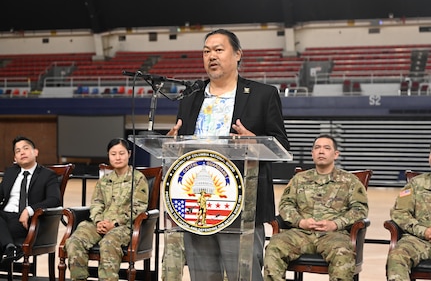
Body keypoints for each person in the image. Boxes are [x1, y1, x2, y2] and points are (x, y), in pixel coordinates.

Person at [166, 28, 290, 281]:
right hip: (197, 204)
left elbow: (281, 145)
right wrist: (173, 144)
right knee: (202, 275)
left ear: (238, 55)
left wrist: (255, 141)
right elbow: (183, 148)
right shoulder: (190, 99)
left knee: (243, 275)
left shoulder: (262, 95)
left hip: (241, 202)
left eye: (218, 50)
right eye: (206, 51)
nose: (211, 56)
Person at [263, 134, 369, 281]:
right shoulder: (299, 179)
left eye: (327, 148)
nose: (321, 151)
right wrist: (300, 222)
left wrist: (335, 224)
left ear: (335, 154)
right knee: (274, 247)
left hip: (334, 235)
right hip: (301, 233)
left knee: (343, 254)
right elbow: (286, 205)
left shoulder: (350, 181)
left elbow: (360, 209)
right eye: (317, 148)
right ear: (312, 154)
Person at [64, 138, 149, 281]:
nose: (117, 157)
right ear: (108, 156)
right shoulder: (104, 180)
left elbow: (138, 207)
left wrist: (115, 223)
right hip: (100, 223)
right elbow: (97, 203)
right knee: (75, 241)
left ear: (129, 154)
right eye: (113, 154)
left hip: (124, 226)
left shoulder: (138, 179)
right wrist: (98, 221)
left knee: (108, 243)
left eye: (121, 153)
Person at [0, 136, 61, 263]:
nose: (22, 152)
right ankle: (10, 247)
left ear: (35, 152)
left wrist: (29, 210)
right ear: (15, 159)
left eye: (26, 148)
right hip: (4, 218)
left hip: (25, 221)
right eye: (17, 151)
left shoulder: (47, 175)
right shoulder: (10, 172)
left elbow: (54, 200)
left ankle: (9, 247)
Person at [386, 144, 431, 281]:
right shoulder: (416, 184)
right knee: (397, 255)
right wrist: (424, 231)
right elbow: (400, 213)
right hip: (419, 240)